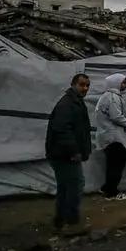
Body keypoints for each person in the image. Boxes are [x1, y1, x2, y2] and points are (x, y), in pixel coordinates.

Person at [45, 73, 92, 232]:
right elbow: (62, 130)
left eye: (87, 85)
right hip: (64, 154)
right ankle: (71, 220)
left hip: (63, 153)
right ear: (73, 84)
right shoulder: (67, 104)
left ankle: (61, 219)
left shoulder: (75, 102)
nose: (85, 88)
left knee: (66, 187)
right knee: (75, 185)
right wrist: (74, 151)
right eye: (81, 84)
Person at [95, 73, 126, 201]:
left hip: (109, 136)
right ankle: (111, 192)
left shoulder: (109, 96)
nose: (125, 85)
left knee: (113, 164)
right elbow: (116, 116)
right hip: (112, 137)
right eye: (123, 82)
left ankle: (107, 187)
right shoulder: (112, 98)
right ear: (116, 83)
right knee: (117, 163)